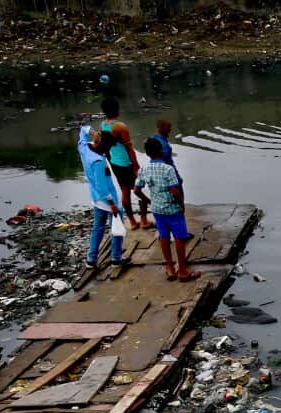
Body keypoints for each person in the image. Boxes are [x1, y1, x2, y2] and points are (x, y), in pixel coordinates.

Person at [137, 137, 198, 282]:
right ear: (161, 151)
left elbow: (136, 189)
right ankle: (182, 271)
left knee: (163, 237)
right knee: (179, 238)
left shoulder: (144, 169)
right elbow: (175, 191)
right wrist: (181, 205)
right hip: (172, 209)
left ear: (147, 153)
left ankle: (170, 268)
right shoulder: (168, 169)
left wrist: (148, 200)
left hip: (157, 210)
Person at [77, 126, 126, 269]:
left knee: (97, 228)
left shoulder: (84, 148)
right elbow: (101, 186)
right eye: (106, 147)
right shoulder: (97, 161)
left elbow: (83, 129)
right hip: (108, 199)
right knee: (116, 228)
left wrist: (93, 133)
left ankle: (91, 259)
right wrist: (112, 204)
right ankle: (116, 258)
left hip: (96, 198)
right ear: (100, 144)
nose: (107, 151)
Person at [100, 98, 150, 229]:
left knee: (125, 190)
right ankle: (144, 219)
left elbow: (106, 146)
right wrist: (136, 165)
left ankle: (133, 222)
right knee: (138, 189)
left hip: (114, 162)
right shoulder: (120, 126)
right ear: (116, 110)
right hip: (126, 162)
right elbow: (129, 148)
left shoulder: (103, 125)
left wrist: (109, 161)